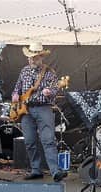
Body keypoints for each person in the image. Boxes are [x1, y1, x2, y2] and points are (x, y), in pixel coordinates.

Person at [12, 42, 67, 182]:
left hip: (44, 108)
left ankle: (55, 172)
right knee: (30, 141)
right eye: (29, 57)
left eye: (33, 57)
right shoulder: (24, 71)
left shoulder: (49, 72)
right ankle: (36, 170)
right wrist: (15, 95)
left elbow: (55, 89)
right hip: (26, 110)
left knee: (48, 140)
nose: (30, 59)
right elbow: (17, 87)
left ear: (41, 57)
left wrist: (50, 92)